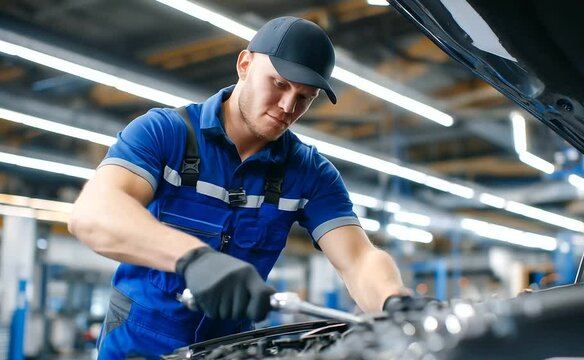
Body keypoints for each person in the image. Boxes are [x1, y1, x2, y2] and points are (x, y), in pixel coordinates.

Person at [69, 16, 408, 359]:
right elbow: (93, 213)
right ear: (244, 64)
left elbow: (359, 259)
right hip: (137, 345)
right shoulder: (164, 133)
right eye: (278, 83)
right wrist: (193, 259)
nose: (288, 107)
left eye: (305, 97)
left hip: (228, 350)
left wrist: (395, 301)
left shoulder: (310, 172)